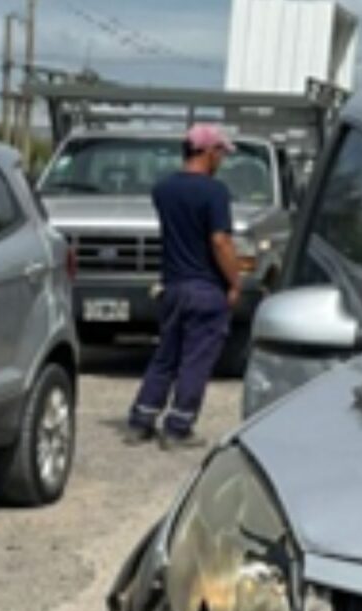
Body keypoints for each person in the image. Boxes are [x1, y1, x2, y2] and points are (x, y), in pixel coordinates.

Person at [126, 124, 243, 450]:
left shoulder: (163, 190)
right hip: (206, 289)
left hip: (173, 286)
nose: (222, 158)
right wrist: (235, 281)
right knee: (196, 359)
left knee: (166, 354)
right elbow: (220, 241)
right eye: (220, 151)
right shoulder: (215, 192)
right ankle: (178, 426)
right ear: (206, 152)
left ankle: (141, 419)